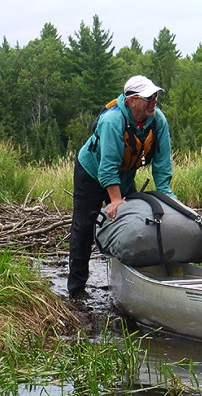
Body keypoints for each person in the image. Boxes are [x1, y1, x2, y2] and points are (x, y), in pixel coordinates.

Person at [67, 75, 175, 299]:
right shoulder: (112, 121)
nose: (154, 100)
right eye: (148, 97)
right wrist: (115, 201)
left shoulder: (158, 120)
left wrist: (167, 197)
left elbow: (163, 164)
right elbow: (107, 167)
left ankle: (128, 282)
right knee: (84, 228)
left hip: (123, 176)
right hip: (91, 173)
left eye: (155, 95)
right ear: (131, 101)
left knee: (133, 225)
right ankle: (77, 290)